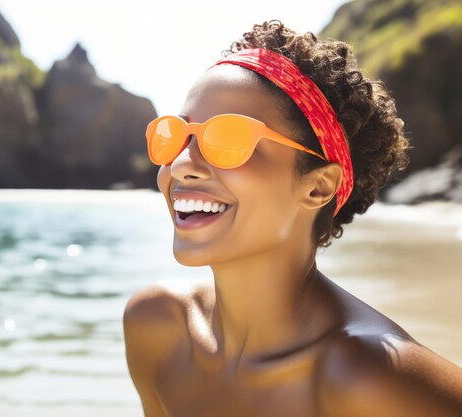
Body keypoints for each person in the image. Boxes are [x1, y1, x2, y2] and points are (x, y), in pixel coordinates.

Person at [123, 20, 462, 417]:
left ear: (318, 187)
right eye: (176, 135)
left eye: (228, 138)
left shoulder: (372, 379)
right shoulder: (157, 328)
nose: (181, 164)